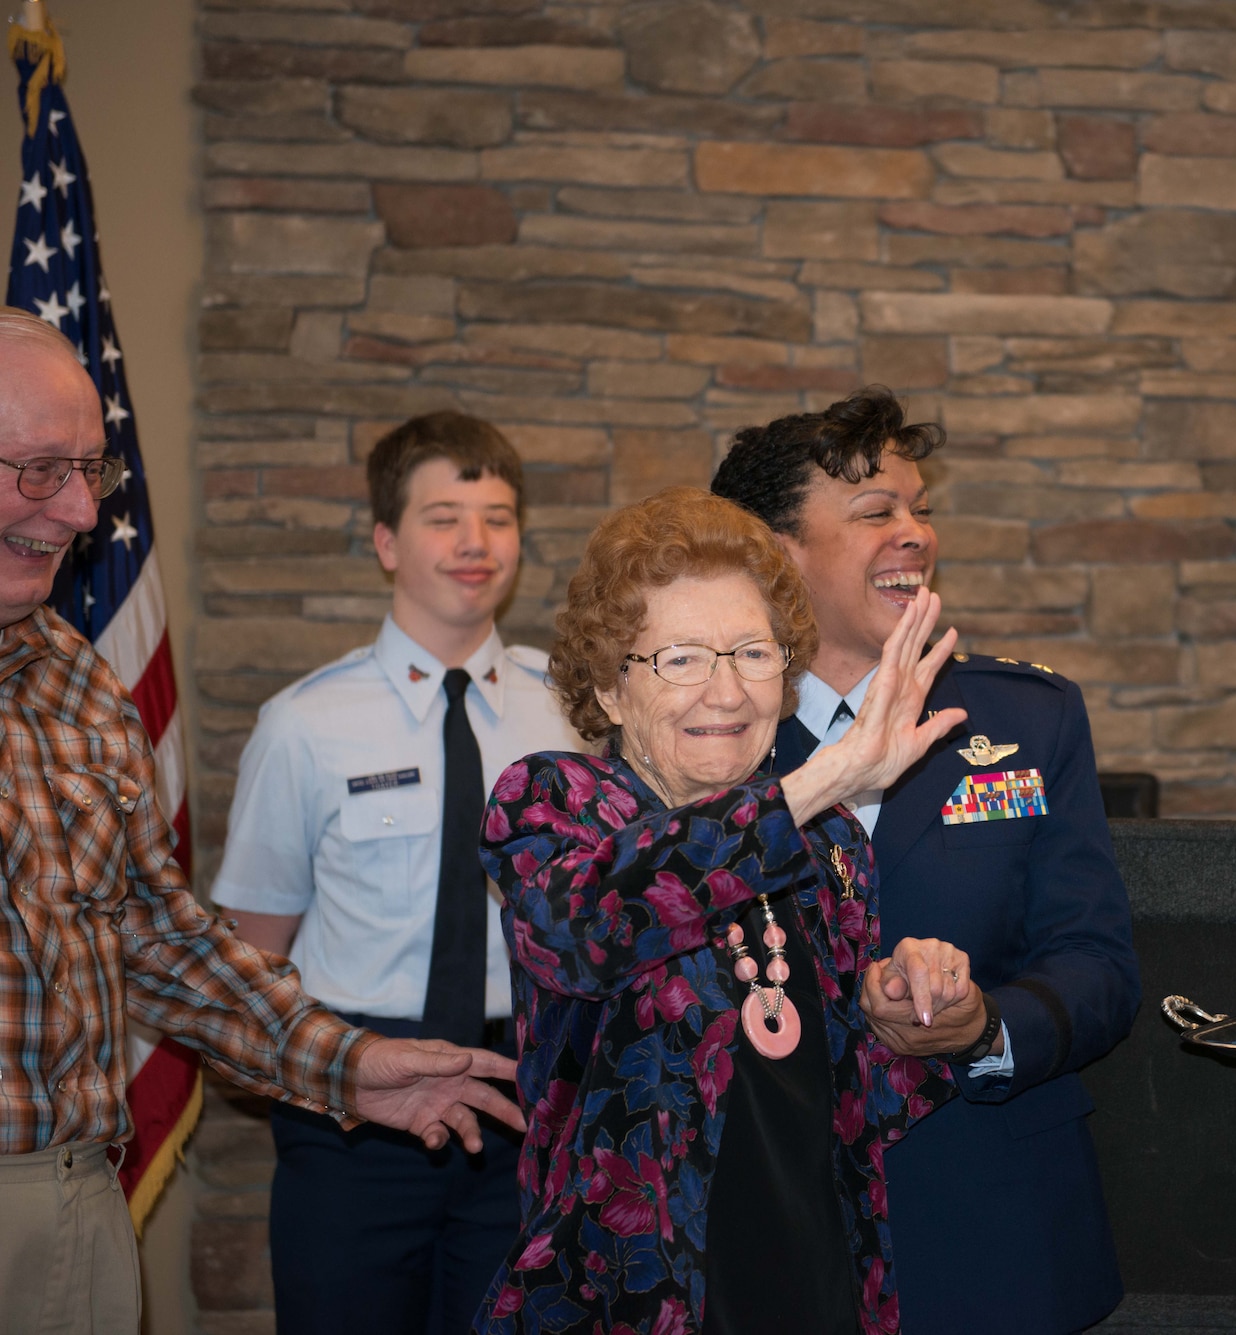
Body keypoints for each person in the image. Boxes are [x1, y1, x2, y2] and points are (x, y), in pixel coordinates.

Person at [0, 316, 521, 1327]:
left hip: (73, 1198)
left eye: (88, 472)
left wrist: (351, 1063)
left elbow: (155, 934)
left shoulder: (73, 682)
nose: (77, 511)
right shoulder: (308, 721)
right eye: (37, 472)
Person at [474, 486, 980, 1334]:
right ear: (608, 687)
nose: (727, 690)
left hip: (815, 1284)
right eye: (680, 658)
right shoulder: (554, 803)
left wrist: (915, 1009)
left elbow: (854, 1102)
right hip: (632, 1300)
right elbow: (584, 931)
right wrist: (824, 779)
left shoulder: (831, 848)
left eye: (752, 652)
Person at [712, 388, 1141, 1334]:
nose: (914, 533)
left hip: (988, 1226)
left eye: (920, 507)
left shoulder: (1028, 719)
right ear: (776, 552)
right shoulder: (703, 736)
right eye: (875, 512)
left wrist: (987, 1026)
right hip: (764, 1241)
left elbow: (1099, 967)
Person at [210, 413, 580, 1335]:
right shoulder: (304, 725)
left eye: (497, 517)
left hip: (523, 1112)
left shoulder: (570, 715)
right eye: (443, 516)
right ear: (385, 540)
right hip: (354, 1127)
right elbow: (248, 967)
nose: (475, 542)